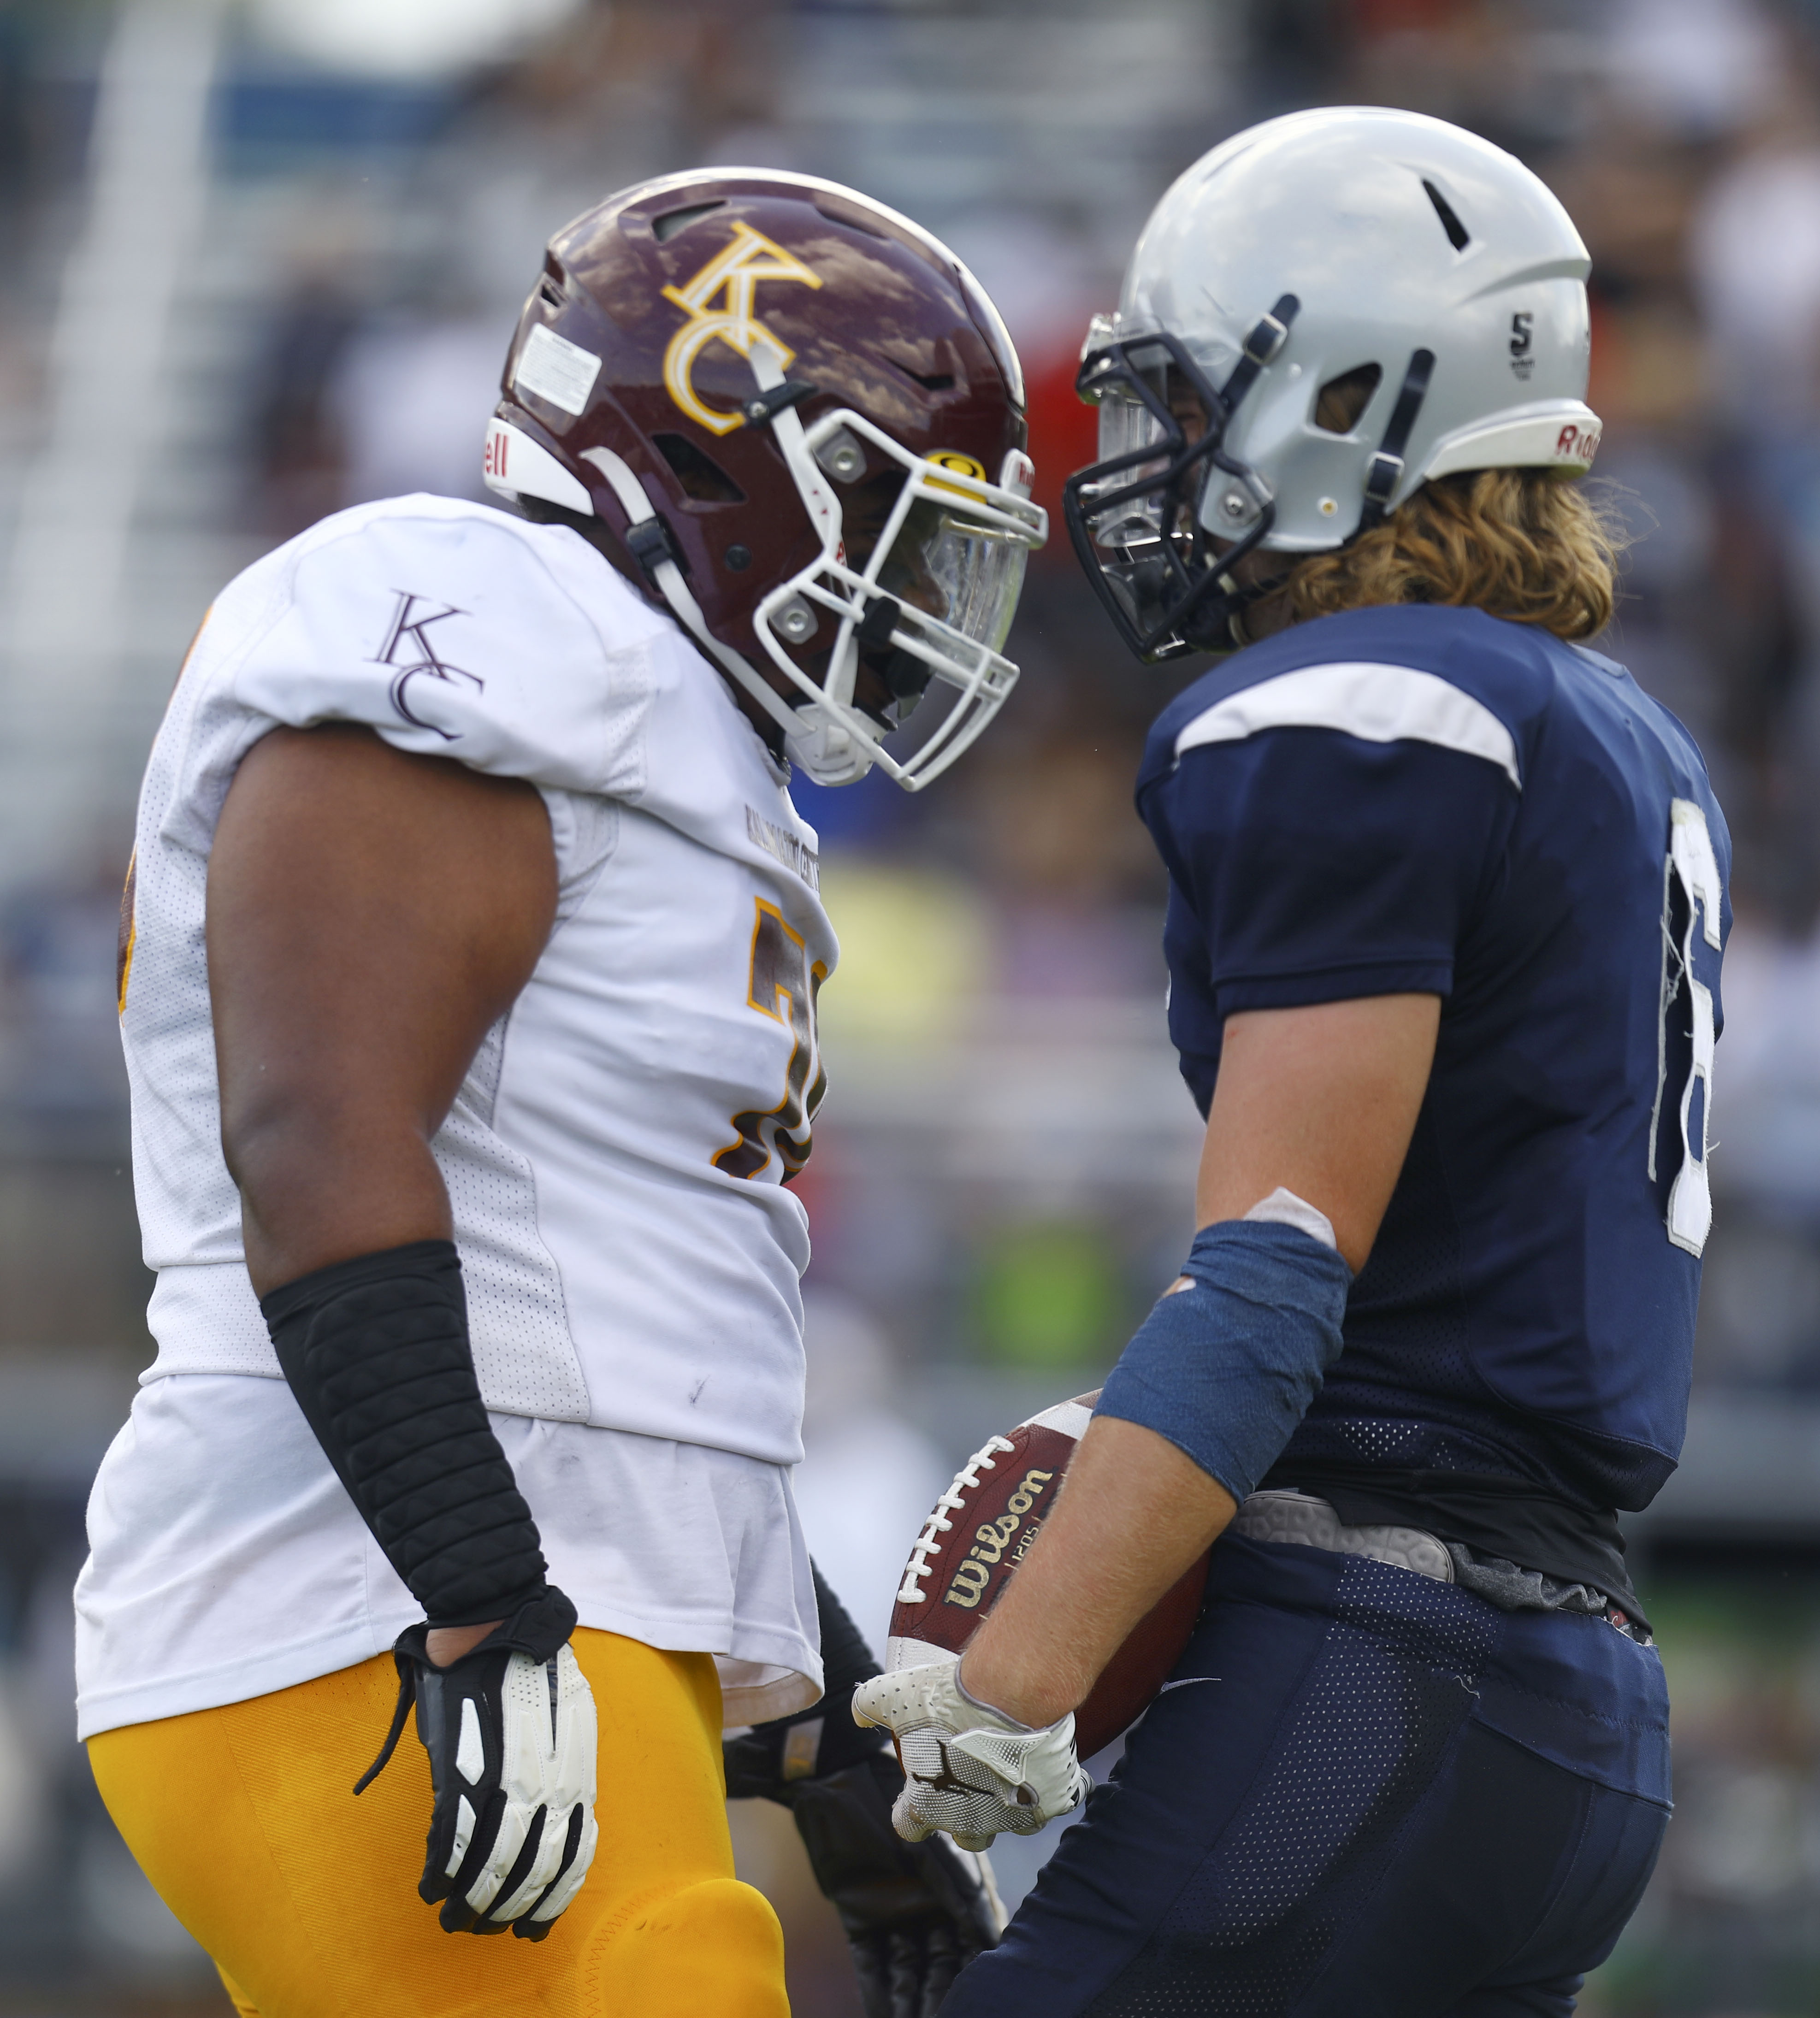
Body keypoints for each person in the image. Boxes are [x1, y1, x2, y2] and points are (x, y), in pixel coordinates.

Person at [77, 168, 1045, 2018]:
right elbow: (316, 1137)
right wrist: (472, 1589)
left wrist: (835, 1747)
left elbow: (632, 1320)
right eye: (899, 528)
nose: (924, 598)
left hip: (525, 1605)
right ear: (724, 465)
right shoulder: (482, 625)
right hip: (360, 1607)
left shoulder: (668, 738)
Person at [855, 107, 1723, 2016]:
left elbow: (1276, 1264)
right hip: (1573, 1700)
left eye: (1188, 397)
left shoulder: (1359, 703)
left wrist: (1022, 1679)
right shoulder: (1612, 730)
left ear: (1345, 393)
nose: (1152, 459)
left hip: (1380, 1651)